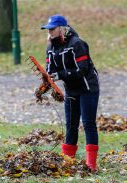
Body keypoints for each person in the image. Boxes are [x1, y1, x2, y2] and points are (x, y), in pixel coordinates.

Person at [41, 14, 100, 171]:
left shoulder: (77, 44)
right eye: (48, 29)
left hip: (88, 87)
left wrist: (59, 75)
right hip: (71, 89)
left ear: (62, 28)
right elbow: (50, 70)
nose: (50, 32)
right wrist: (47, 79)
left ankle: (91, 165)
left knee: (88, 123)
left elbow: (82, 70)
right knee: (71, 124)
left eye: (52, 29)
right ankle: (69, 162)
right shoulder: (50, 48)